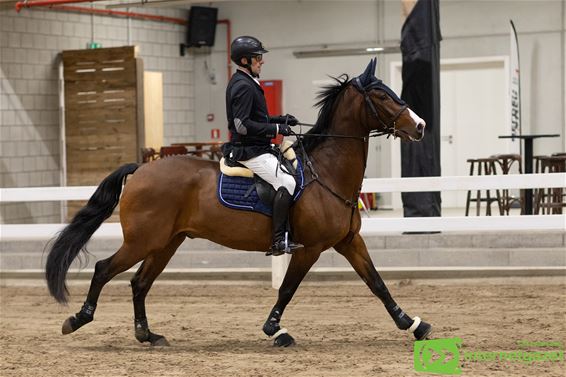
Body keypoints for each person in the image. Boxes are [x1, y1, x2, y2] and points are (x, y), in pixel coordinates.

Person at [222, 35, 303, 256]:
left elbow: (258, 117)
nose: (262, 61)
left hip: (258, 147)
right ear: (245, 60)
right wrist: (276, 130)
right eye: (258, 57)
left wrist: (280, 120)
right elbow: (241, 125)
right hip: (249, 151)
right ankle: (278, 241)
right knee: (286, 181)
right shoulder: (243, 85)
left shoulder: (248, 82)